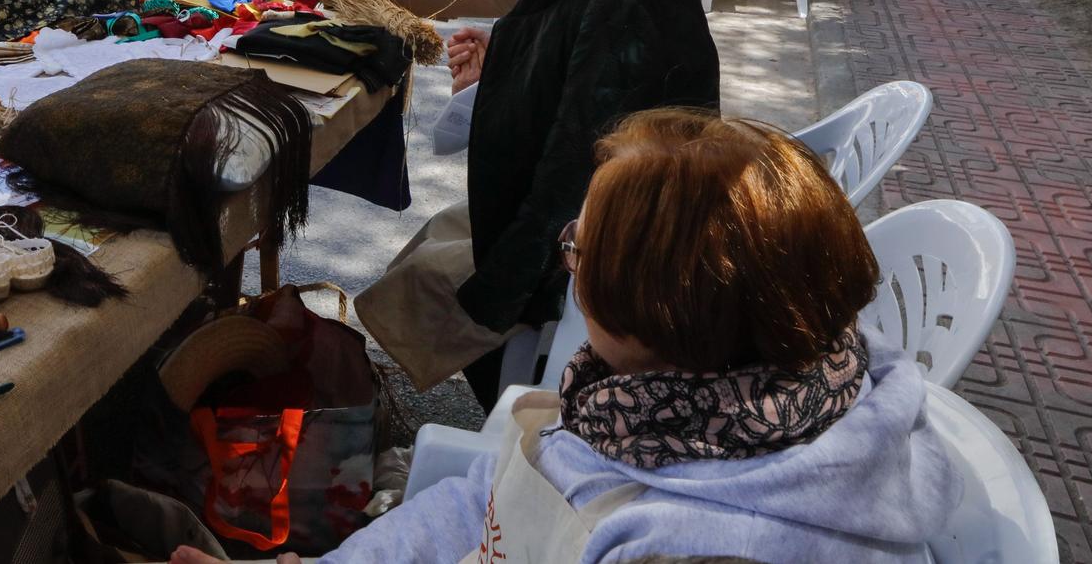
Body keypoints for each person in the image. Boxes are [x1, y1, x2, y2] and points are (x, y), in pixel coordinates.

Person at [251, 110, 957, 564]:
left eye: (580, 250)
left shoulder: (690, 542)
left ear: (660, 312)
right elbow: (479, 499)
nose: (568, 261)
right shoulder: (672, 400)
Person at [358, 0, 720, 410]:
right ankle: (521, 374)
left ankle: (526, 395)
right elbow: (567, 93)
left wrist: (505, 284)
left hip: (625, 230)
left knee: (428, 281)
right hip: (613, 205)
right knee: (434, 239)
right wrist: (500, 67)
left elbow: (578, 159)